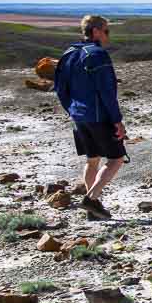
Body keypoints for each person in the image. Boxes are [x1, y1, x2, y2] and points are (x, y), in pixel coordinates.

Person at [54, 15, 127, 220]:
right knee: (116, 158)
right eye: (106, 31)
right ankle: (91, 199)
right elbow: (107, 91)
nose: (107, 35)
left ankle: (92, 212)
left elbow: (60, 88)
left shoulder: (69, 54)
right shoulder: (97, 55)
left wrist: (72, 110)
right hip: (98, 116)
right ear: (95, 31)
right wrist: (117, 120)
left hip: (79, 116)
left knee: (92, 159)